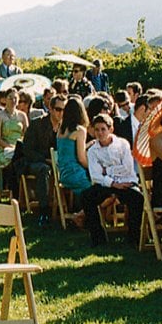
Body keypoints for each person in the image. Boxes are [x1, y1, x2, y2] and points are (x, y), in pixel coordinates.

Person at [85, 113, 144, 246]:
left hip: (125, 180)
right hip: (106, 184)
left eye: (103, 129)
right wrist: (112, 182)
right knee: (87, 197)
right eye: (97, 130)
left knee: (137, 197)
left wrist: (107, 169)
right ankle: (97, 237)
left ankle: (134, 237)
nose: (100, 133)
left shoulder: (122, 144)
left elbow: (128, 167)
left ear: (110, 129)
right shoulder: (92, 150)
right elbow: (95, 175)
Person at [21, 95, 65, 226]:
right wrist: (47, 160)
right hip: (35, 162)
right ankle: (44, 212)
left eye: (64, 110)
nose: (61, 113)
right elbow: (28, 150)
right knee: (44, 170)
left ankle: (75, 210)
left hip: (58, 162)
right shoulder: (37, 124)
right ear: (50, 109)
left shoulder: (66, 127)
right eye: (58, 109)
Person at [56, 97, 92, 234]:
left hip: (64, 174)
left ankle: (81, 215)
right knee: (98, 191)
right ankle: (81, 216)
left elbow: (68, 151)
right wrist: (94, 169)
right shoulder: (80, 131)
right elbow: (82, 159)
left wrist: (87, 145)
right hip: (76, 174)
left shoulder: (61, 129)